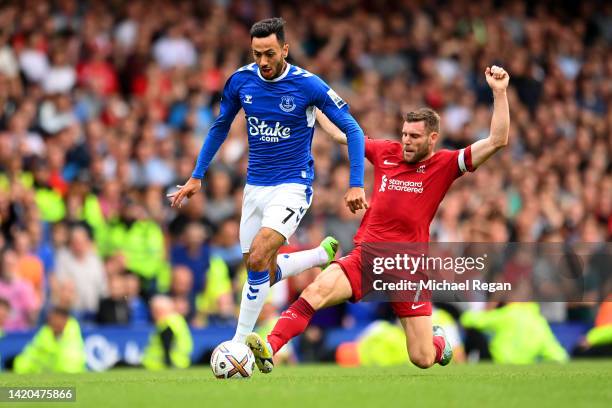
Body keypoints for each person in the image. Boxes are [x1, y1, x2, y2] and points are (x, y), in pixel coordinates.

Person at [246, 66, 511, 373]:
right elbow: (340, 133)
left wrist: (499, 92)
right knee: (316, 291)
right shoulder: (386, 152)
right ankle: (270, 347)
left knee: (422, 358)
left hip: (407, 267)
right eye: (404, 134)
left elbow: (497, 140)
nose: (406, 141)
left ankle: (439, 343)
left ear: (432, 138)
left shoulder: (446, 164)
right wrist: (314, 103)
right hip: (367, 256)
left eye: (414, 136)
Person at [168, 17, 368, 345]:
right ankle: (318, 256)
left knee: (259, 257)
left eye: (270, 54)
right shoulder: (240, 81)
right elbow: (220, 126)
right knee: (259, 271)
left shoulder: (308, 85)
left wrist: (356, 182)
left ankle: (238, 345)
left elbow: (353, 129)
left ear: (285, 49)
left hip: (293, 185)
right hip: (255, 186)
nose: (263, 62)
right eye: (257, 53)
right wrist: (196, 176)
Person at [13, 306, 86, 374]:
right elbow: (30, 356)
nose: (53, 322)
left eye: (57, 319)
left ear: (65, 320)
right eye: (51, 320)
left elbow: (69, 366)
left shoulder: (72, 335)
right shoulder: (45, 333)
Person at [142, 295, 193, 370]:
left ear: (160, 310)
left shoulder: (166, 322)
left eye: (154, 310)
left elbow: (166, 343)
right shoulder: (178, 320)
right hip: (181, 363)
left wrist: (168, 363)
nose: (152, 313)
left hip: (161, 366)